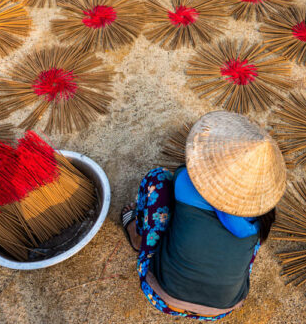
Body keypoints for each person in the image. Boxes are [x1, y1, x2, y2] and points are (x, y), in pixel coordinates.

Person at [121, 111, 286, 320]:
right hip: (222, 309)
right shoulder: (264, 212)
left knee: (158, 179)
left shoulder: (184, 181)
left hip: (162, 297)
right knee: (253, 237)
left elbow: (186, 177)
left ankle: (138, 237)